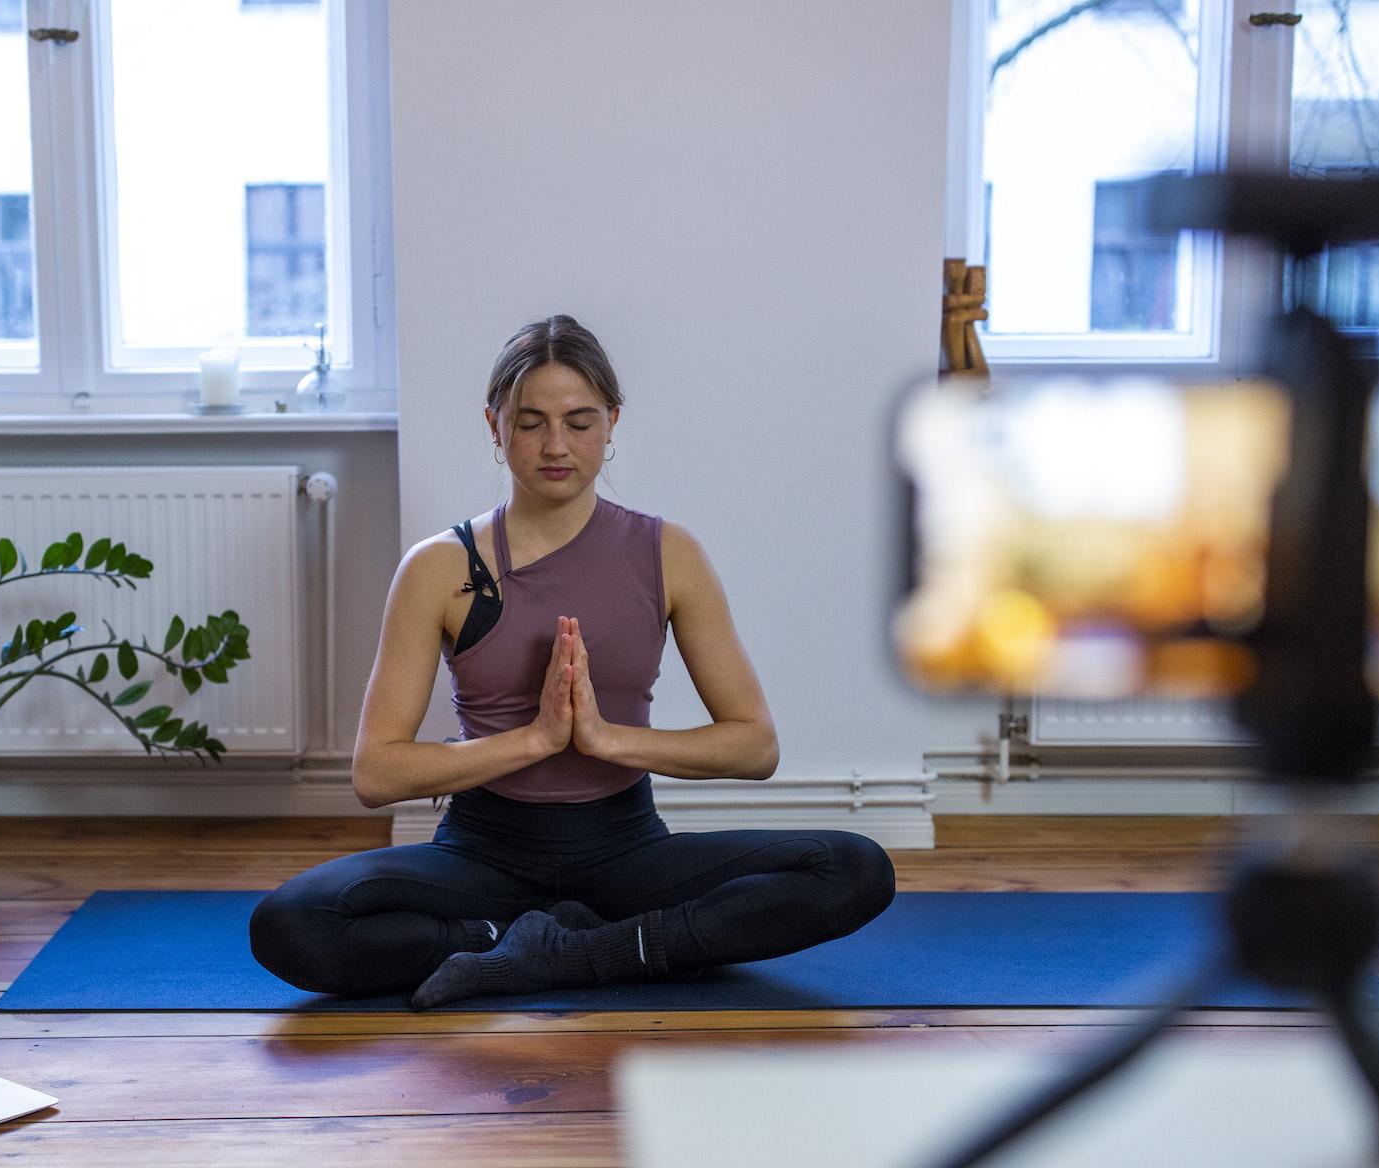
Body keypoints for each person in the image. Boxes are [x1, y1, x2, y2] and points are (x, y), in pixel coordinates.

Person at [248, 314, 896, 1008]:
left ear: (613, 421)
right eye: (530, 423)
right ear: (494, 424)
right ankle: (593, 941)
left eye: (580, 421)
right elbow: (377, 772)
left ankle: (552, 950)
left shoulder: (667, 553)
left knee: (854, 869)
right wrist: (534, 740)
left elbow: (755, 744)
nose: (556, 445)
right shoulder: (437, 568)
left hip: (626, 848)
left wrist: (607, 740)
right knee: (291, 923)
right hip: (482, 849)